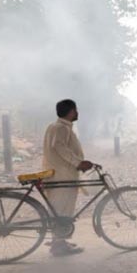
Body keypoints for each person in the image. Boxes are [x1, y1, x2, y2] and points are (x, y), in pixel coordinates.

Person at [42, 99, 97, 256]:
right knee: (62, 209)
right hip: (63, 175)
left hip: (59, 174)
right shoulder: (61, 128)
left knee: (58, 208)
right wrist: (78, 163)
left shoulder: (56, 126)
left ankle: (58, 240)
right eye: (76, 110)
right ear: (71, 111)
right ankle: (59, 246)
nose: (77, 113)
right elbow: (59, 147)